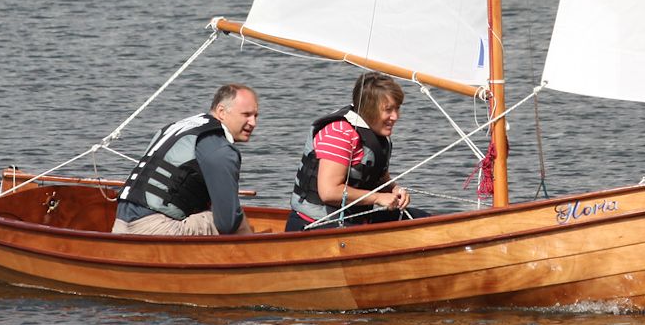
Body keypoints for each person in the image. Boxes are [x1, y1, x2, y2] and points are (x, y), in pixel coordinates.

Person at [286, 72, 428, 231]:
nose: (395, 116)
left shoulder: (377, 134)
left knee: (424, 221)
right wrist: (377, 198)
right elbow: (329, 192)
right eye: (388, 110)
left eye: (397, 108)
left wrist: (393, 190)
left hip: (354, 221)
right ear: (369, 109)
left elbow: (377, 177)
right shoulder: (340, 133)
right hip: (315, 224)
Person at [112, 83, 258, 236]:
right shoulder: (219, 148)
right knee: (235, 218)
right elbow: (227, 223)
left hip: (120, 226)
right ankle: (257, 256)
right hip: (155, 230)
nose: (253, 123)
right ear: (221, 111)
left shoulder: (177, 127)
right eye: (246, 115)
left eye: (255, 116)